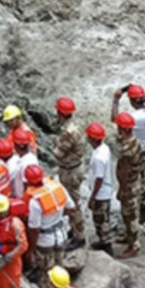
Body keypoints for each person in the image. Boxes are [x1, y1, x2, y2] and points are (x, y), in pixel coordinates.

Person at [25, 166, 75, 283]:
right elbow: (71, 208)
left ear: (28, 181)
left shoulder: (35, 201)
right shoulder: (57, 187)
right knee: (60, 266)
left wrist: (30, 250)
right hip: (61, 233)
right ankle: (65, 287)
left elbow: (34, 229)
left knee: (48, 272)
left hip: (45, 240)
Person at [114, 85, 145, 221]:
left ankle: (138, 209)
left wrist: (116, 100)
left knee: (133, 179)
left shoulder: (134, 117)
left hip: (134, 150)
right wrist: (132, 89)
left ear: (132, 101)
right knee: (141, 175)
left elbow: (115, 120)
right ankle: (144, 201)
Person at [53, 97, 88, 247]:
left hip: (70, 171)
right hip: (76, 167)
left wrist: (54, 144)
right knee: (73, 202)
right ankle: (75, 230)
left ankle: (78, 237)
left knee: (73, 205)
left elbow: (58, 153)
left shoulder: (67, 133)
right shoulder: (76, 126)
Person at [113, 113, 143, 259]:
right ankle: (128, 236)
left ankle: (134, 245)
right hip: (135, 182)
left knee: (130, 215)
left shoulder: (126, 150)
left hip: (129, 185)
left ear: (121, 128)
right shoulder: (135, 141)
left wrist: (121, 189)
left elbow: (124, 171)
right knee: (128, 213)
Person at [86, 123, 115, 251]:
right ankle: (104, 241)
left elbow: (99, 178)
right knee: (104, 218)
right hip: (105, 190)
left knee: (100, 220)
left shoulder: (99, 158)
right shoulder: (104, 148)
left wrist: (93, 197)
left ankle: (106, 244)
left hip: (101, 193)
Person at [11, 130, 40, 197]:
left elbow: (27, 186)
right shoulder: (30, 157)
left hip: (23, 197)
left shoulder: (26, 164)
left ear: (16, 146)